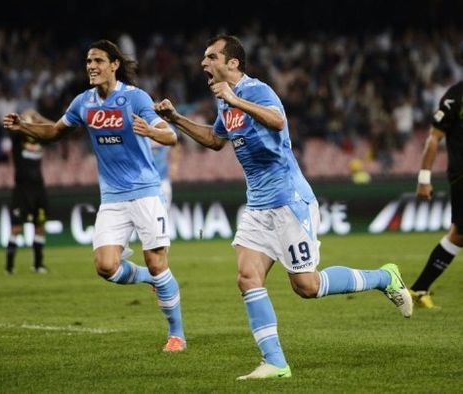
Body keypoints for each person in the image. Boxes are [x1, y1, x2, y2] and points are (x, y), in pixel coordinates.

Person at [155, 34, 412, 379]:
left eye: (211, 57)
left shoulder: (256, 90)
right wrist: (176, 118)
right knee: (247, 277)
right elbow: (217, 141)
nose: (204, 63)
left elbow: (277, 121)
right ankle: (275, 362)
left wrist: (235, 99)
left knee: (306, 286)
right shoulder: (224, 101)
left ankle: (384, 277)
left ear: (232, 63)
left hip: (289, 200)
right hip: (258, 207)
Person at [3, 39, 186, 352]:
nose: (91, 66)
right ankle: (150, 280)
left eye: (98, 60)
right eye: (88, 61)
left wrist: (151, 132)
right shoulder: (83, 103)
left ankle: (176, 334)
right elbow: (55, 132)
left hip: (144, 192)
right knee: (106, 266)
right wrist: (25, 128)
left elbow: (170, 135)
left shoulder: (135, 97)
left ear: (114, 65)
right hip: (112, 197)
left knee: (158, 262)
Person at [410, 78, 463, 308]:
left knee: (458, 235)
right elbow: (433, 139)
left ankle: (419, 289)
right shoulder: (455, 97)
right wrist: (424, 179)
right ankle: (418, 289)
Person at [5, 109, 50, 274]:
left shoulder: (39, 138)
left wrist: (39, 117)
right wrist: (23, 121)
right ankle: (9, 266)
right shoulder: (18, 138)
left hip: (39, 188)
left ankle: (38, 265)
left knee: (39, 226)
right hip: (22, 189)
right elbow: (12, 128)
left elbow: (55, 129)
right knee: (16, 228)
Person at [151, 139, 181, 210]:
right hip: (145, 182)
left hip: (163, 178)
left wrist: (174, 164)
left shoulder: (168, 128)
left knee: (164, 210)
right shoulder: (137, 128)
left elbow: (175, 144)